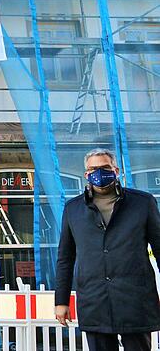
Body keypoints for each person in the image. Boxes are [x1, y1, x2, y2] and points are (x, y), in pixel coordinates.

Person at [55, 148, 160, 351]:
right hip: (94, 300)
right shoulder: (73, 209)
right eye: (93, 169)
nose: (99, 174)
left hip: (135, 298)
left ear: (116, 170)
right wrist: (61, 301)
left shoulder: (142, 203)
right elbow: (65, 258)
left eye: (104, 168)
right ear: (86, 174)